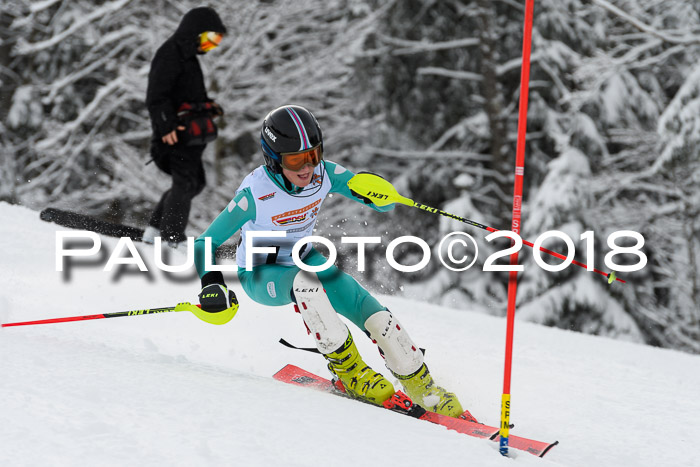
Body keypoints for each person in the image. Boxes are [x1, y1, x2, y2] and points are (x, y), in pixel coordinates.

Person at [193, 105, 464, 417]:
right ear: (274, 158)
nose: (307, 167)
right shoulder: (254, 193)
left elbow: (373, 199)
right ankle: (350, 373)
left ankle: (422, 385)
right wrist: (210, 284)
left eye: (313, 154)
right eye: (296, 160)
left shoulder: (322, 174)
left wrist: (379, 195)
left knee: (368, 308)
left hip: (305, 259)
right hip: (260, 273)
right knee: (305, 282)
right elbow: (205, 242)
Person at [143, 7, 227, 245]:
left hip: (189, 137)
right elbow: (156, 96)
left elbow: (188, 95)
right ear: (194, 33)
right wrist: (166, 126)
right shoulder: (170, 54)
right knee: (185, 182)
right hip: (173, 135)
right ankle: (171, 237)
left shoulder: (187, 58)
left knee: (195, 182)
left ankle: (154, 229)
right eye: (209, 39)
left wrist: (207, 107)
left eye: (216, 42)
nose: (211, 46)